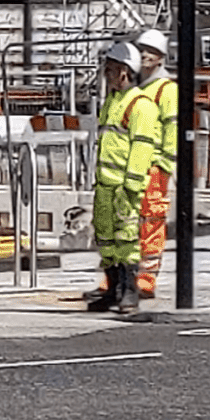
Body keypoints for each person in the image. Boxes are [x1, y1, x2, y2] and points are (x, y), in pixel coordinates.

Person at [89, 41, 161, 314]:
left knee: (127, 239)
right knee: (106, 239)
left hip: (123, 186)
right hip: (106, 184)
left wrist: (132, 184)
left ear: (124, 72)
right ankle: (113, 289)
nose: (107, 75)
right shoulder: (112, 102)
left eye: (111, 70)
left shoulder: (141, 106)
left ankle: (130, 292)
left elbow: (142, 146)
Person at [133, 28, 178, 299]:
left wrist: (165, 163)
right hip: (130, 166)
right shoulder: (136, 87)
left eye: (151, 52)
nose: (145, 55)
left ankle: (146, 278)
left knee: (151, 222)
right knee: (125, 223)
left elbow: (172, 127)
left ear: (161, 58)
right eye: (141, 51)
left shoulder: (165, 89)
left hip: (153, 167)